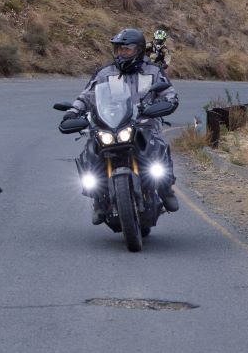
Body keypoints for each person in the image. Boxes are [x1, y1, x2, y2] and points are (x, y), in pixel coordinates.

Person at [59, 28, 180, 224]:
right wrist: (73, 111)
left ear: (138, 50)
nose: (122, 53)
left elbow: (169, 93)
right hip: (110, 124)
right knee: (90, 149)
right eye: (119, 49)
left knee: (157, 146)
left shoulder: (153, 72)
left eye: (127, 49)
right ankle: (98, 199)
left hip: (143, 123)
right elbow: (86, 96)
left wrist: (167, 102)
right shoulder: (105, 73)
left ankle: (165, 189)